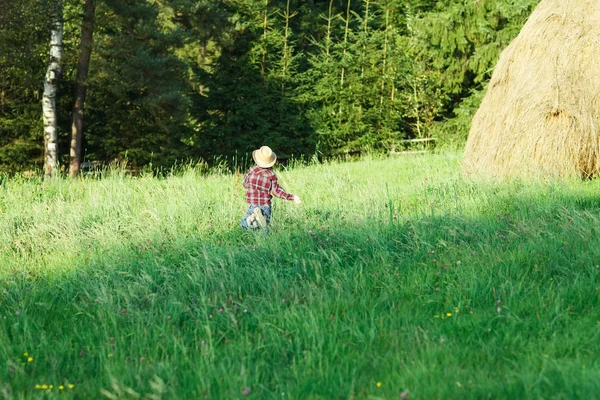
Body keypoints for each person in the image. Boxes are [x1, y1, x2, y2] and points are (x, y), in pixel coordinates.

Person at [240, 145, 301, 231]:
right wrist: (292, 197)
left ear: (257, 160)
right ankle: (258, 225)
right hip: (265, 205)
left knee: (243, 225)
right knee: (264, 229)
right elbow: (276, 192)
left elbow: (245, 184)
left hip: (253, 204)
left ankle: (251, 218)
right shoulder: (271, 175)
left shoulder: (252, 170)